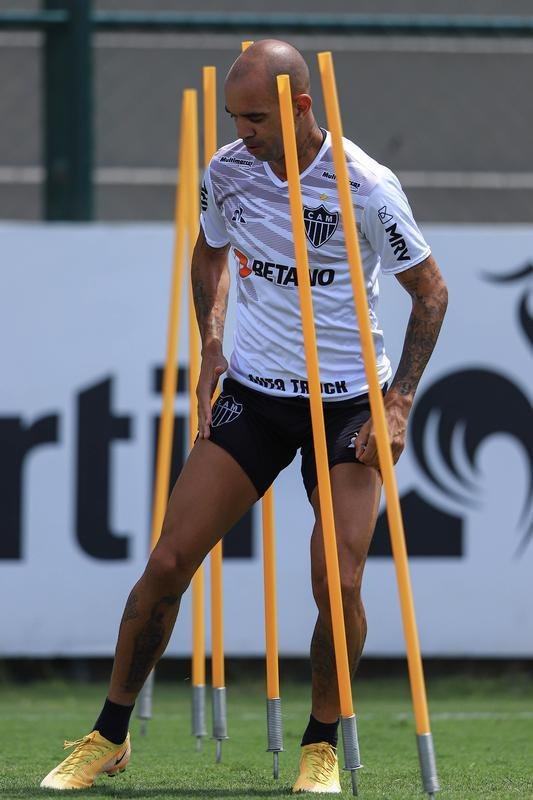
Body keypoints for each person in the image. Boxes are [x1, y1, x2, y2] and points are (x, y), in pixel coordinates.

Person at [40, 39, 447, 794]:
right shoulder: (227, 172)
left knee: (341, 578)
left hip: (348, 400)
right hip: (254, 393)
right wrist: (212, 347)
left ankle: (320, 744)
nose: (243, 131)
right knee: (166, 563)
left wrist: (396, 406)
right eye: (234, 116)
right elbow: (207, 256)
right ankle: (109, 733)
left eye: (255, 116)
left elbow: (430, 292)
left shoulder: (365, 185)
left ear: (300, 105)